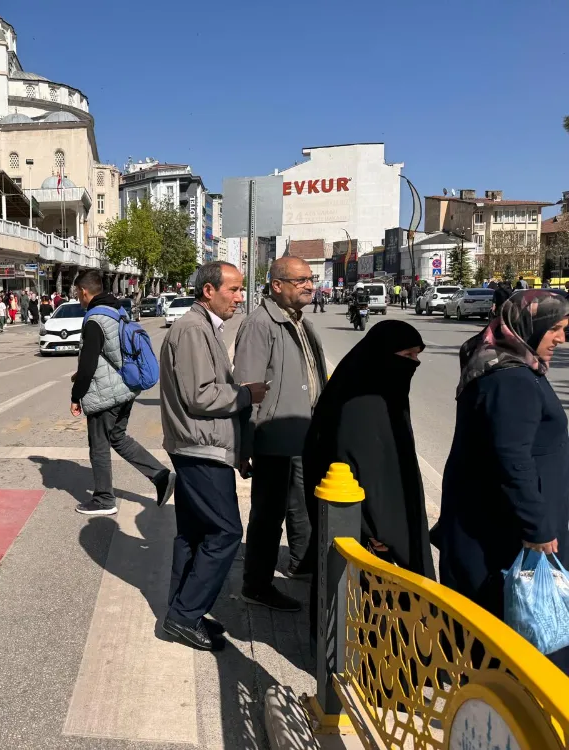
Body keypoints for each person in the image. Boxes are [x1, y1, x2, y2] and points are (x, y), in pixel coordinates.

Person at [435, 291, 569, 671]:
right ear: (533, 326)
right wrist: (539, 529)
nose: (561, 339)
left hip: (502, 522)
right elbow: (513, 460)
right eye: (556, 329)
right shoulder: (512, 380)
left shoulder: (509, 367)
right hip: (509, 532)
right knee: (523, 634)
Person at [302, 321, 433, 646]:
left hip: (378, 523)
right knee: (367, 609)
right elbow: (356, 470)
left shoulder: (375, 387)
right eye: (407, 355)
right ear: (383, 355)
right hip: (369, 532)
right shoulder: (363, 403)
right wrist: (376, 532)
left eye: (417, 355)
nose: (414, 364)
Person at [159, 261, 268, 651]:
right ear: (209, 291)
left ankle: (183, 607)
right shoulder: (191, 330)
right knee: (225, 533)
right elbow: (200, 395)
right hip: (201, 449)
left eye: (241, 291)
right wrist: (245, 395)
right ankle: (183, 616)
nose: (240, 298)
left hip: (203, 447)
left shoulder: (203, 327)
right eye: (234, 290)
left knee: (195, 533)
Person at [232, 256, 327, 611]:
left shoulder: (298, 320)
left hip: (302, 431)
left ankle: (300, 565)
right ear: (277, 285)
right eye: (300, 280)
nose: (308, 284)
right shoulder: (261, 324)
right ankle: (256, 584)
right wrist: (245, 444)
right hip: (273, 434)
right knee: (268, 515)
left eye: (310, 278)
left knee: (302, 503)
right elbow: (247, 388)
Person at [70, 269, 176, 516]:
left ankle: (104, 499)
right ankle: (161, 476)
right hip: (125, 389)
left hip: (106, 394)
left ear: (84, 292)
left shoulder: (94, 319)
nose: (78, 298)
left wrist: (76, 396)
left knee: (99, 445)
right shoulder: (117, 310)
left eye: (77, 293)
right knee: (118, 438)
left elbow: (88, 363)